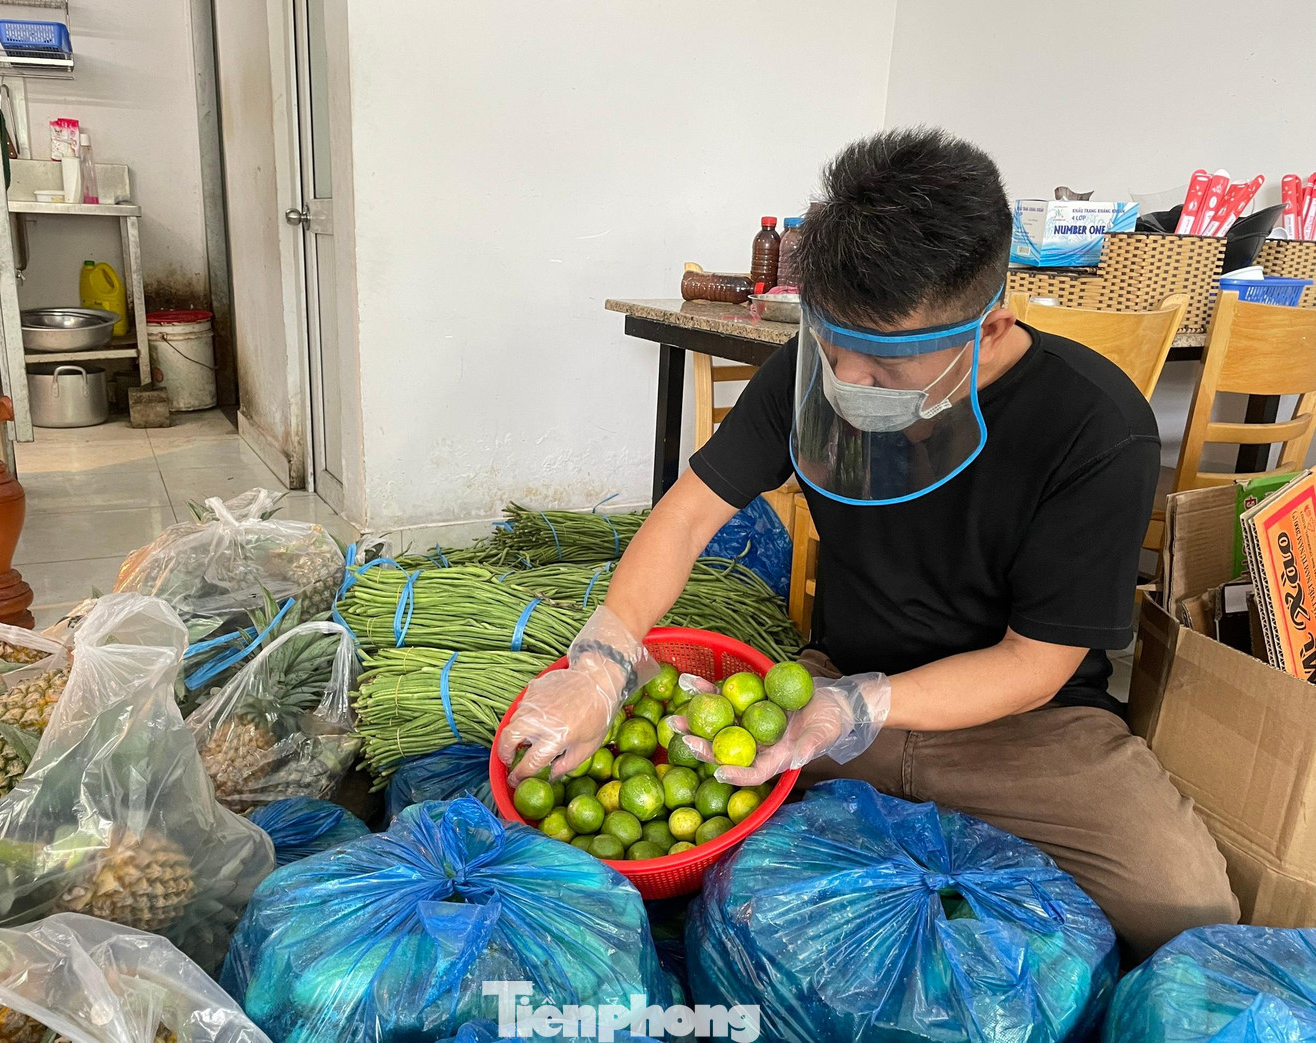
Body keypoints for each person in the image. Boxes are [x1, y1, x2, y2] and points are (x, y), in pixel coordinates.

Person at [497, 127, 1237, 960]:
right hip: (822, 698)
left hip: (1026, 728)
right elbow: (688, 515)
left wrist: (860, 709)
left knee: (1188, 904)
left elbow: (1039, 663)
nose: (849, 381)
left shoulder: (1096, 429)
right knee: (674, 856)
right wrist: (601, 654)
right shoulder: (814, 372)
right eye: (835, 346)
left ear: (991, 325)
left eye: (886, 365)